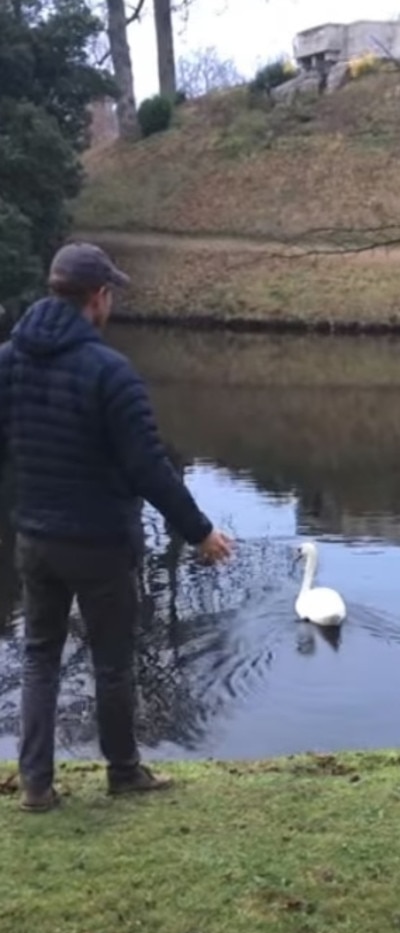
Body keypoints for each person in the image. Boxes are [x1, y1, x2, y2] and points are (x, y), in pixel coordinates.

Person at [0, 242, 233, 812]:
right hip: (100, 542)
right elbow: (149, 468)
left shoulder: (7, 361)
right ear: (98, 298)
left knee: (38, 657)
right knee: (111, 662)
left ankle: (36, 784)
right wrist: (200, 532)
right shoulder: (110, 372)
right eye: (111, 295)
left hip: (33, 537)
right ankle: (124, 771)